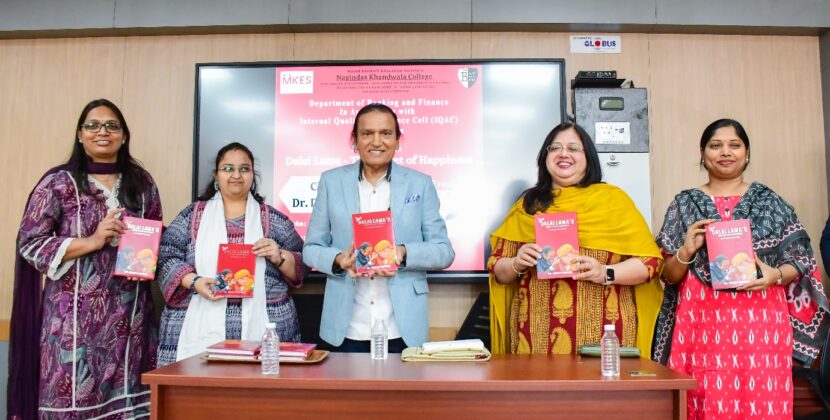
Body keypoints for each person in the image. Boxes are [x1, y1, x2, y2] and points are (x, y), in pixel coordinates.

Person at [652, 118, 829, 418]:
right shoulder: (684, 205)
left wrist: (775, 275)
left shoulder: (770, 202)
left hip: (761, 320)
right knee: (704, 396)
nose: (726, 152)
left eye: (735, 145)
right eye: (716, 145)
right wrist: (685, 251)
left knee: (762, 398)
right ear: (702, 152)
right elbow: (667, 276)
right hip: (702, 322)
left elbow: (801, 262)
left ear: (747, 153)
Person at [9, 99, 162, 419]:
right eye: (92, 125)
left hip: (130, 320)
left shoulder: (142, 183)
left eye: (111, 126)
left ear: (124, 135)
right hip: (72, 324)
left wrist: (144, 247)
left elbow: (154, 234)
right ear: (80, 134)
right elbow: (31, 243)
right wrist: (93, 241)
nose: (102, 132)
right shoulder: (58, 183)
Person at [488, 121, 663, 355]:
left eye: (573, 148)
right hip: (534, 336)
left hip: (606, 337)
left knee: (602, 391)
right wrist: (517, 263)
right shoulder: (528, 204)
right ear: (545, 157)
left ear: (588, 157)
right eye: (555, 148)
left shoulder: (614, 201)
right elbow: (498, 268)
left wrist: (605, 273)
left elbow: (649, 264)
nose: (563, 154)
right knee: (538, 392)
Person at [303, 103, 455, 352]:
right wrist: (339, 259)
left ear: (397, 140)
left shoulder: (420, 184)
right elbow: (310, 248)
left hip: (402, 327)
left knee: (403, 393)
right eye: (367, 133)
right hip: (346, 325)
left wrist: (402, 253)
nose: (377, 141)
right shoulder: (331, 182)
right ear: (354, 139)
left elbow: (444, 251)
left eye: (386, 133)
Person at [155, 142, 306, 366]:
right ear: (216, 174)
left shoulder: (274, 220)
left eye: (244, 169)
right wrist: (194, 281)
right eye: (228, 168)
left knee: (261, 399)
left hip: (267, 326)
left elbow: (302, 267)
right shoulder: (191, 216)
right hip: (192, 324)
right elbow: (166, 257)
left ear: (253, 176)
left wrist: (279, 256)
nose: (236, 175)